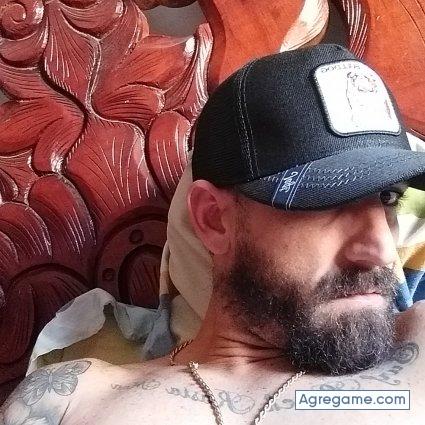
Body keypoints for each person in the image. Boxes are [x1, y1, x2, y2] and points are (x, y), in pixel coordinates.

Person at [2, 44, 425, 425]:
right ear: (214, 220)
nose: (382, 250)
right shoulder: (73, 398)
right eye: (329, 200)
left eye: (389, 197)